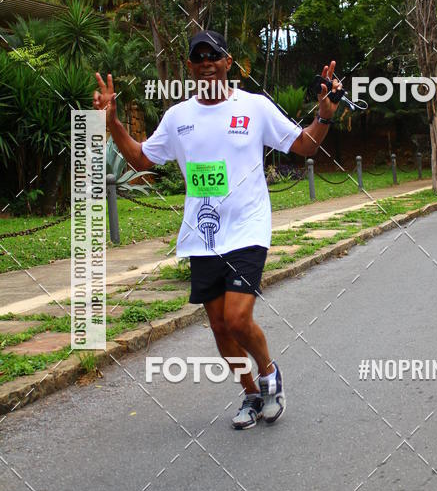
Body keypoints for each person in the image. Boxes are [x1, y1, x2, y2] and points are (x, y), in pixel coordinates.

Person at [93, 30, 342, 430]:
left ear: (229, 63)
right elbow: (141, 159)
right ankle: (250, 395)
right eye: (198, 57)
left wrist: (325, 114)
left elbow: (305, 146)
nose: (207, 62)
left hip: (248, 230)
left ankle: (270, 376)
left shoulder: (255, 107)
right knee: (221, 329)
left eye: (214, 55)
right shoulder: (178, 118)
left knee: (239, 319)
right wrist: (114, 124)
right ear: (190, 68)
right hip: (203, 236)